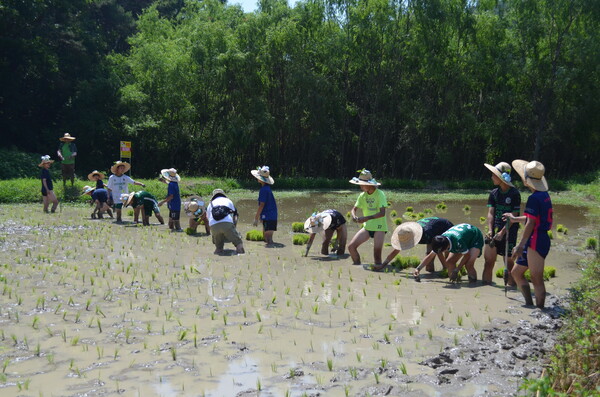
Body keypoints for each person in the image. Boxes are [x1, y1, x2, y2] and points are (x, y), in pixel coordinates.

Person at [503, 160, 553, 308]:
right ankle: (529, 304)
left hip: (537, 239)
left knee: (536, 278)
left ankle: (540, 309)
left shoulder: (534, 198)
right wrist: (514, 219)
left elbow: (531, 223)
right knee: (516, 273)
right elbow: (531, 218)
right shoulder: (543, 195)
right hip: (534, 238)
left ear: (527, 179)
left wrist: (520, 245)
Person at [482, 162, 521, 285]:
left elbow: (514, 216)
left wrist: (503, 232)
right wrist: (490, 230)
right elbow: (491, 213)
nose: (491, 177)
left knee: (508, 263)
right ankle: (486, 288)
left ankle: (512, 288)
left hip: (509, 231)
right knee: (488, 261)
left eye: (493, 175)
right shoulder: (494, 193)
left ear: (501, 177)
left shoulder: (514, 194)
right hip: (493, 231)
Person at [378, 217, 454, 273]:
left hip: (445, 228)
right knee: (429, 258)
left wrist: (445, 269)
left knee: (446, 255)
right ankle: (433, 272)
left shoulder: (426, 234)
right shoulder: (407, 233)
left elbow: (438, 250)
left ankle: (448, 270)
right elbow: (395, 251)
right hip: (432, 229)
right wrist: (383, 264)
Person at [347, 169, 388, 268]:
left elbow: (382, 213)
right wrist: (354, 216)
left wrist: (366, 218)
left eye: (362, 184)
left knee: (377, 255)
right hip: (367, 227)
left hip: (379, 227)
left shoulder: (380, 194)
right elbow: (354, 209)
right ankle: (357, 267)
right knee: (351, 247)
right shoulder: (362, 196)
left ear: (369, 184)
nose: (360, 187)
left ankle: (379, 273)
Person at [207, 189, 245, 254]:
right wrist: (234, 228)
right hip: (227, 224)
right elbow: (235, 215)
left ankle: (217, 256)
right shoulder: (228, 201)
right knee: (239, 244)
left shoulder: (210, 204)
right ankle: (242, 257)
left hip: (214, 225)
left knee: (218, 249)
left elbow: (208, 218)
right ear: (223, 194)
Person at [251, 166, 278, 246]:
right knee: (266, 238)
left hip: (268, 216)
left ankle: (272, 254)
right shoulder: (267, 188)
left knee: (268, 239)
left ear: (260, 179)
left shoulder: (263, 190)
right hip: (270, 215)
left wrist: (256, 218)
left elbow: (261, 205)